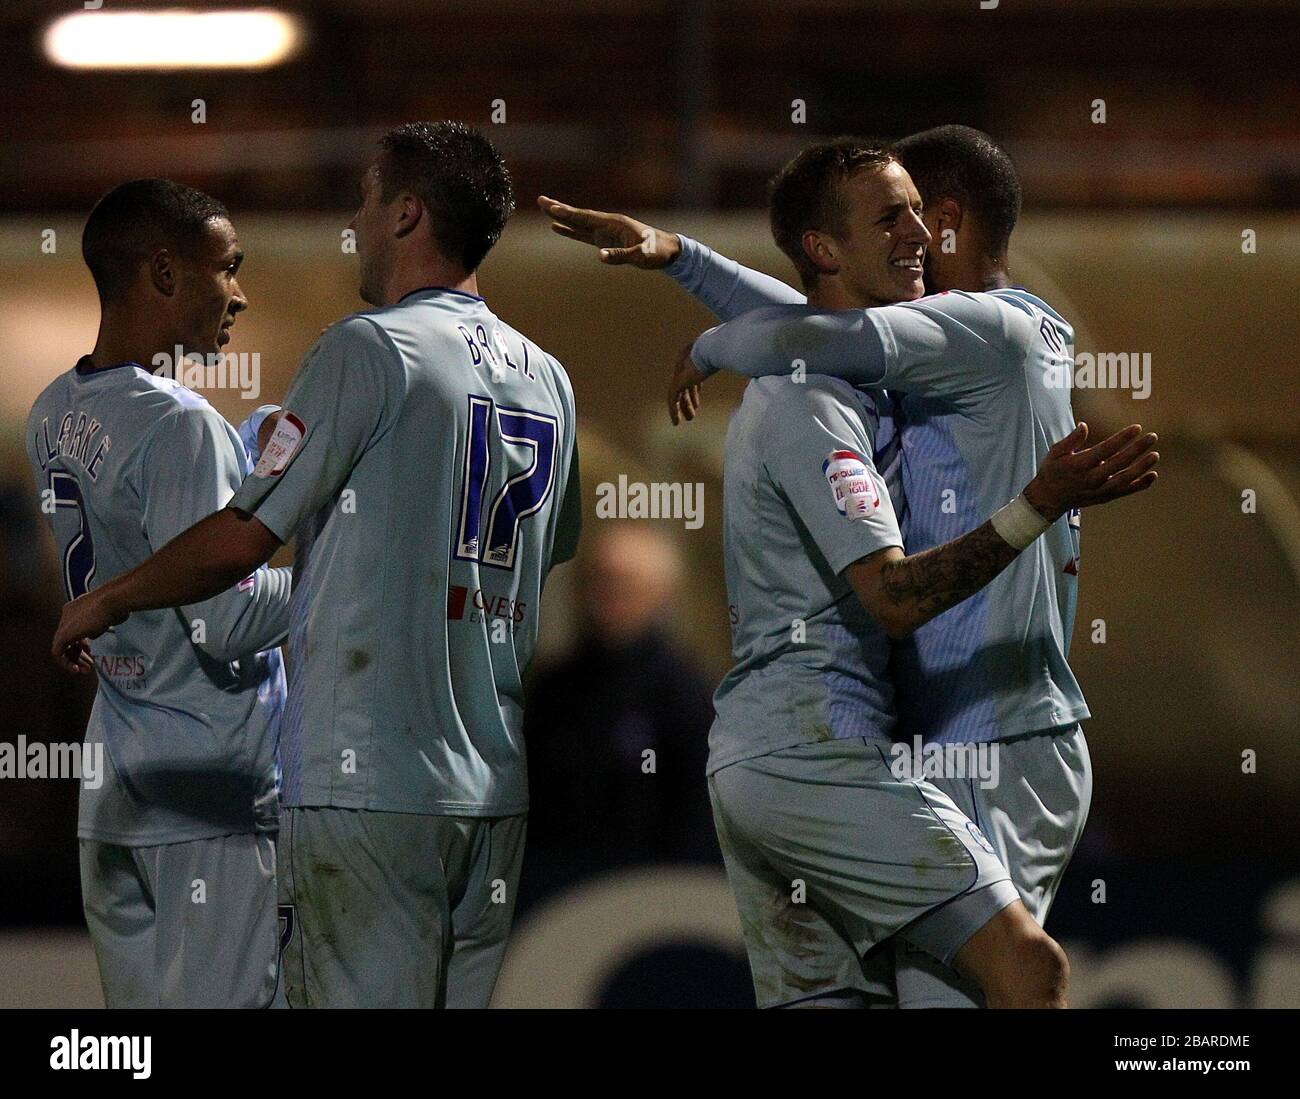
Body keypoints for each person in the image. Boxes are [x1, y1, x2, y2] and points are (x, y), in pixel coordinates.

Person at [541, 143, 1157, 1007]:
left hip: (984, 735)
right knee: (1014, 974)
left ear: (945, 223)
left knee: (1008, 979)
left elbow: (813, 329)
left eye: (914, 216)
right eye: (886, 218)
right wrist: (682, 259)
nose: (907, 235)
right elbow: (815, 325)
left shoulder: (984, 329)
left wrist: (714, 339)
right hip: (851, 748)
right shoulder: (855, 376)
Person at [52, 123, 582, 1009]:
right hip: (491, 789)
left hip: (365, 782)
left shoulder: (369, 349)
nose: (357, 225)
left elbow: (239, 539)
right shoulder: (549, 376)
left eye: (364, 204)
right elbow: (550, 549)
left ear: (406, 213)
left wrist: (110, 597)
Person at [27, 179, 290, 1007]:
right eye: (228, 268)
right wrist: (329, 572)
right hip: (210, 782)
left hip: (116, 779)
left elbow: (134, 538)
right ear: (166, 273)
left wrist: (244, 470)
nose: (240, 294)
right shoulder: (180, 424)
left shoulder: (52, 407)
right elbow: (228, 618)